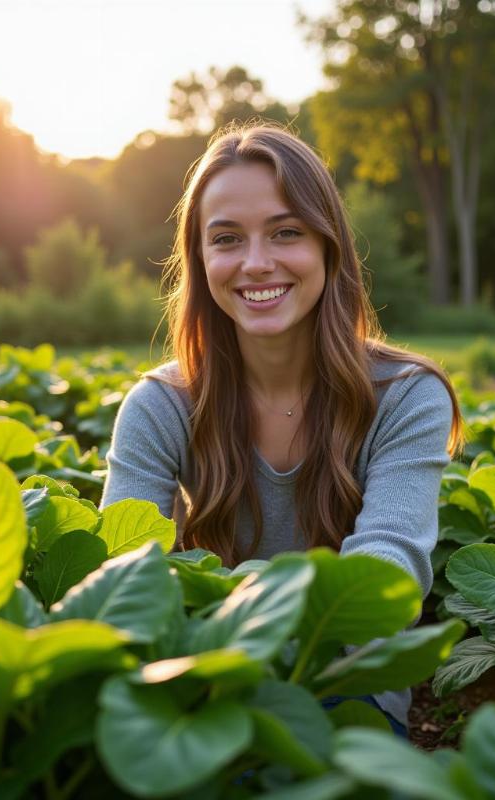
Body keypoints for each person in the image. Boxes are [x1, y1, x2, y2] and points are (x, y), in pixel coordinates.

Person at [100, 122, 464, 737]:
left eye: (286, 232)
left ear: (329, 246)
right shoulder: (158, 405)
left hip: (344, 693)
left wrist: (245, 619)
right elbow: (122, 574)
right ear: (201, 260)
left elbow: (387, 573)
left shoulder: (407, 397)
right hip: (204, 686)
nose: (256, 263)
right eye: (227, 239)